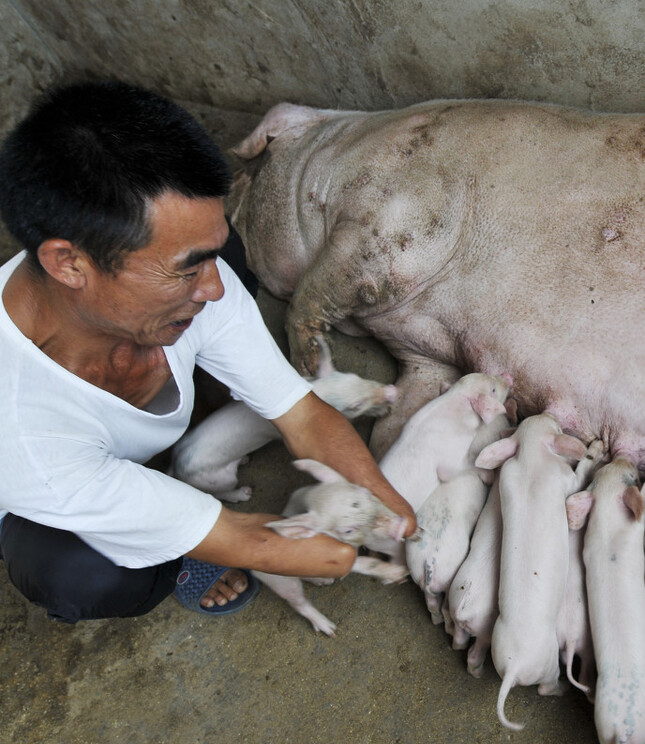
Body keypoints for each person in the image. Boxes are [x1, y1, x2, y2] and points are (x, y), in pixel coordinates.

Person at [0, 80, 416, 621]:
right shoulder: (24, 437)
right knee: (83, 575)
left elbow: (301, 414)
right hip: (40, 499)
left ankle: (198, 413)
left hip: (89, 442)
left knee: (230, 258)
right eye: (187, 268)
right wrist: (342, 553)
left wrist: (388, 506)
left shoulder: (178, 281)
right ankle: (171, 562)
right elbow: (245, 537)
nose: (216, 288)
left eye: (206, 257)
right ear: (69, 263)